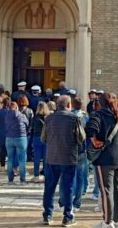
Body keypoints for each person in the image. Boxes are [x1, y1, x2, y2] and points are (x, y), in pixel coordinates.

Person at [85, 94, 118, 228]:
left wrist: (94, 140)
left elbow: (89, 129)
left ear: (99, 103)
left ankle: (107, 221)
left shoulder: (98, 115)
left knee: (106, 191)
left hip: (106, 158)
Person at [41, 95, 85, 226]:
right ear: (69, 105)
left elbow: (43, 138)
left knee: (49, 187)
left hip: (52, 157)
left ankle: (47, 215)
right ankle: (67, 216)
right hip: (68, 157)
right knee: (68, 188)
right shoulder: (74, 118)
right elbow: (81, 138)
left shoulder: (49, 118)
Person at [71, 97, 90, 211]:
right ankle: (77, 202)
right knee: (80, 176)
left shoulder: (68, 116)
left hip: (70, 149)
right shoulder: (86, 118)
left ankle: (69, 197)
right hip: (82, 148)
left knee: (70, 175)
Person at [5, 100, 30, 185]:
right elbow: (27, 124)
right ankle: (22, 180)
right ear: (16, 107)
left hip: (9, 138)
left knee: (10, 159)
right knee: (22, 160)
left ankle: (10, 180)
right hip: (21, 137)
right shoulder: (22, 115)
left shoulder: (6, 116)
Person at [31, 102, 49, 182]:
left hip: (37, 137)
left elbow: (32, 127)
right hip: (46, 138)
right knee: (46, 159)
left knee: (37, 158)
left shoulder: (35, 117)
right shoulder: (48, 118)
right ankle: (46, 176)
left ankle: (36, 176)